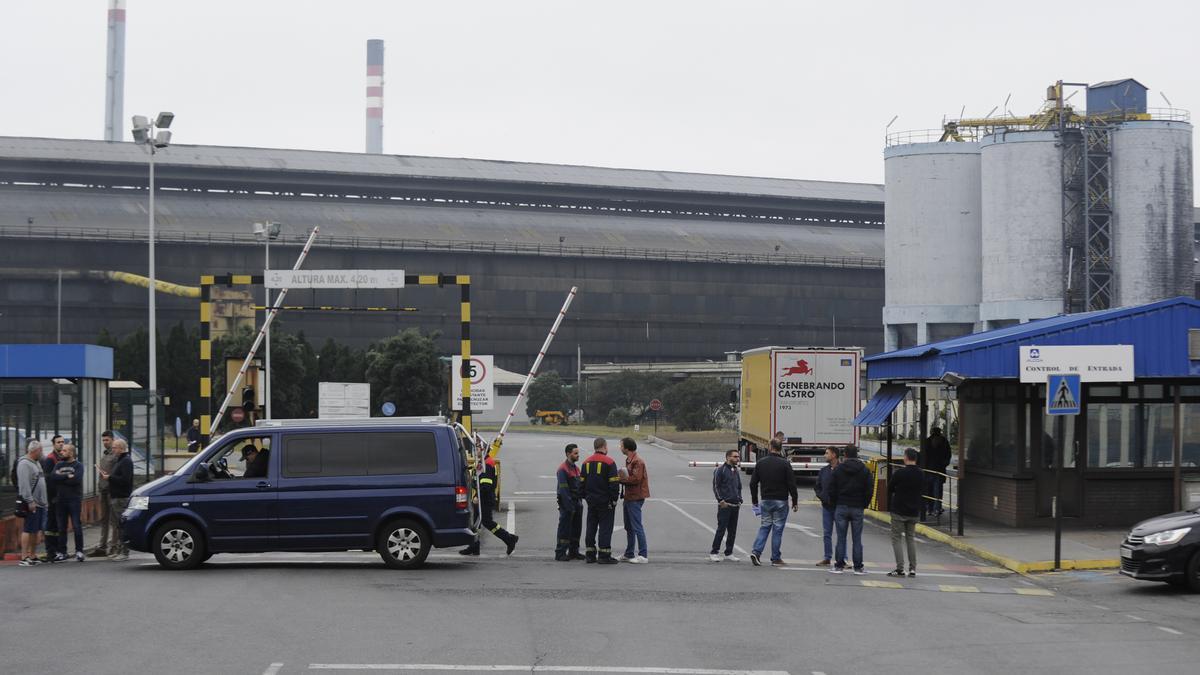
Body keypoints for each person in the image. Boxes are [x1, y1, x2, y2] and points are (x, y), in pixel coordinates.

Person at [748, 439, 798, 567]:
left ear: (770, 447)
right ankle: (775, 558)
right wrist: (795, 500)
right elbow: (791, 483)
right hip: (781, 500)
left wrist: (755, 501)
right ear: (780, 448)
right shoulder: (785, 464)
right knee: (777, 529)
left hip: (766, 500)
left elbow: (753, 483)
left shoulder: (761, 463)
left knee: (765, 526)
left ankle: (756, 552)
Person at [459, 452, 519, 556]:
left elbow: (486, 485)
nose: (474, 450)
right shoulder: (484, 462)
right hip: (482, 498)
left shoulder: (486, 464)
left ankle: (509, 539)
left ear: (482, 450)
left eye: (477, 447)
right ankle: (474, 546)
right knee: (475, 523)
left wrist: (478, 496)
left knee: (488, 522)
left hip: (484, 499)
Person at [829, 445, 872, 575]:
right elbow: (869, 489)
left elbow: (832, 488)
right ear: (857, 454)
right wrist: (864, 504)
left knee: (841, 538)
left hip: (841, 506)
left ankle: (839, 565)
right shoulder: (864, 470)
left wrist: (835, 503)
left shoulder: (838, 469)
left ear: (845, 455)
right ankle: (858, 567)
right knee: (857, 539)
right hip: (858, 506)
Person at [580, 437, 620, 564]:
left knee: (591, 526)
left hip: (591, 501)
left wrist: (586, 497)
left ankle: (590, 554)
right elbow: (614, 484)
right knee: (605, 528)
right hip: (605, 502)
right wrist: (614, 500)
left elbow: (581, 483)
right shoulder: (609, 462)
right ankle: (604, 555)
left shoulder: (585, 463)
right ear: (604, 446)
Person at [889, 448, 924, 577]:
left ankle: (900, 568)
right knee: (911, 538)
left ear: (906, 457)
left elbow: (890, 488)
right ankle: (913, 568)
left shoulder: (900, 473)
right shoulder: (921, 473)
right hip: (914, 511)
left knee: (896, 538)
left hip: (899, 510)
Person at [50, 443, 86, 562]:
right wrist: (67, 476)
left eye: (65, 451)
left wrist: (62, 477)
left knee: (76, 526)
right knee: (61, 527)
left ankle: (79, 551)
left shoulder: (78, 465)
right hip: (61, 500)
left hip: (74, 499)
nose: (61, 452)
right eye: (62, 450)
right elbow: (53, 477)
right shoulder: (59, 464)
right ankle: (62, 552)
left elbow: (76, 480)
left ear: (71, 453)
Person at [100, 438, 133, 562]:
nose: (113, 449)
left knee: (122, 525)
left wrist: (110, 477)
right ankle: (119, 549)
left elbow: (125, 479)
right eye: (113, 447)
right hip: (115, 497)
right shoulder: (120, 460)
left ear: (121, 448)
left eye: (115, 447)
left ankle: (125, 551)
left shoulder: (126, 461)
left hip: (121, 497)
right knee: (118, 525)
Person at [617, 437, 649, 563]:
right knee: (629, 527)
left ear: (627, 447)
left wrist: (619, 479)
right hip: (629, 496)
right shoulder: (629, 460)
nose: (620, 447)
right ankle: (629, 553)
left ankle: (643, 554)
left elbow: (636, 479)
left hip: (635, 497)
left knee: (636, 526)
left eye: (621, 445)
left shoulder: (637, 461)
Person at [17, 440, 48, 566]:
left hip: (40, 503)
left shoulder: (36, 462)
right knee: (28, 529)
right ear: (36, 451)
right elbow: (24, 485)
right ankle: (24, 557)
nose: (42, 453)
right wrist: (30, 501)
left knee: (35, 530)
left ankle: (32, 555)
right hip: (32, 502)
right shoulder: (24, 464)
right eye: (41, 450)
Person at [709, 448, 742, 562]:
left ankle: (729, 552)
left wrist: (740, 499)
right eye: (735, 456)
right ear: (728, 457)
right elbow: (716, 486)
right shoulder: (720, 470)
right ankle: (714, 552)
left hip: (735, 505)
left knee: (732, 531)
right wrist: (720, 500)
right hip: (725, 505)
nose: (737, 458)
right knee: (721, 529)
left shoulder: (735, 470)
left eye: (738, 457)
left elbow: (738, 486)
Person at [555, 444, 585, 561]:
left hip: (577, 503)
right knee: (565, 528)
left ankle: (574, 551)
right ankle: (560, 552)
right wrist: (569, 506)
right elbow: (563, 490)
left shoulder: (576, 469)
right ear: (568, 454)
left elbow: (580, 486)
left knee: (577, 528)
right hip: (567, 504)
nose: (578, 455)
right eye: (575, 453)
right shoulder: (563, 469)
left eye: (578, 453)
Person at [89, 430, 115, 557]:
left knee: (114, 520)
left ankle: (114, 545)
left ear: (112, 440)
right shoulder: (105, 454)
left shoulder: (116, 455)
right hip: (103, 490)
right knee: (103, 519)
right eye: (103, 440)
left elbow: (117, 473)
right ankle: (102, 545)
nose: (105, 443)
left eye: (107, 440)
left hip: (112, 490)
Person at [813, 446, 840, 566]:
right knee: (827, 533)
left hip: (840, 507)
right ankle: (827, 557)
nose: (825, 455)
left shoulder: (843, 470)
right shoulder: (824, 471)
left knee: (841, 534)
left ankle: (842, 558)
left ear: (834, 455)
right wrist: (822, 497)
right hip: (827, 507)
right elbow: (817, 487)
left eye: (827, 453)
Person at [41, 435, 65, 561]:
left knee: (58, 525)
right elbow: (49, 479)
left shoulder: (63, 457)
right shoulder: (50, 459)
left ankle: (58, 549)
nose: (61, 444)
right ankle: (51, 550)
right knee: (51, 525)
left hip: (61, 497)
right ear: (53, 444)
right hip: (53, 498)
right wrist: (52, 497)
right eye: (58, 442)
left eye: (62, 442)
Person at [921, 426, 952, 519]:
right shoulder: (944, 441)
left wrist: (924, 467)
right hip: (939, 470)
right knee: (937, 490)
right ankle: (936, 508)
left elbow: (923, 455)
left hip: (929, 470)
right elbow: (948, 455)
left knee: (929, 490)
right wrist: (944, 465)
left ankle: (930, 508)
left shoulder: (927, 441)